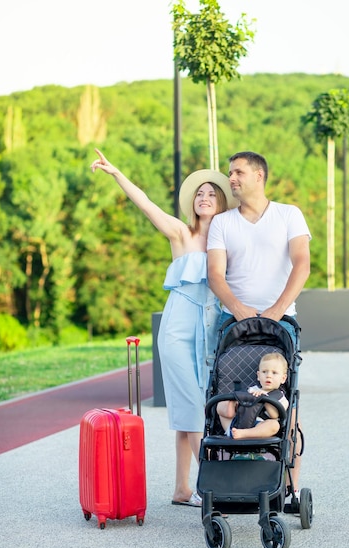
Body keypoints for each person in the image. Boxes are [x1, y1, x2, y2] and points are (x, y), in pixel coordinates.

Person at [91, 149, 238, 507]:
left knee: (193, 408)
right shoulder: (180, 233)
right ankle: (211, 486)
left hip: (209, 333)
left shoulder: (226, 241)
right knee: (191, 405)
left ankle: (181, 489)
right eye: (200, 194)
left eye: (212, 194)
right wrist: (117, 173)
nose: (205, 198)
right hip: (176, 330)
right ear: (193, 202)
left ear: (221, 202)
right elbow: (145, 204)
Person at [207, 151, 311, 498]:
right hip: (233, 325)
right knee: (229, 399)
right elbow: (215, 275)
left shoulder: (288, 215)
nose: (231, 178)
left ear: (259, 176)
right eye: (230, 173)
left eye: (238, 172)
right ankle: (229, 482)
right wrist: (237, 309)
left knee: (284, 405)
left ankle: (291, 487)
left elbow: (301, 265)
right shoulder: (222, 222)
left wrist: (277, 310)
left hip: (280, 324)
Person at [217, 352, 289, 439]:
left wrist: (265, 398)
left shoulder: (282, 398)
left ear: (283, 378)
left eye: (274, 373)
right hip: (238, 422)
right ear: (258, 376)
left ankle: (245, 434)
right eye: (264, 372)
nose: (268, 376)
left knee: (274, 425)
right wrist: (235, 402)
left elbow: (274, 415)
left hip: (259, 426)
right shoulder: (252, 389)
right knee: (220, 404)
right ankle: (231, 425)